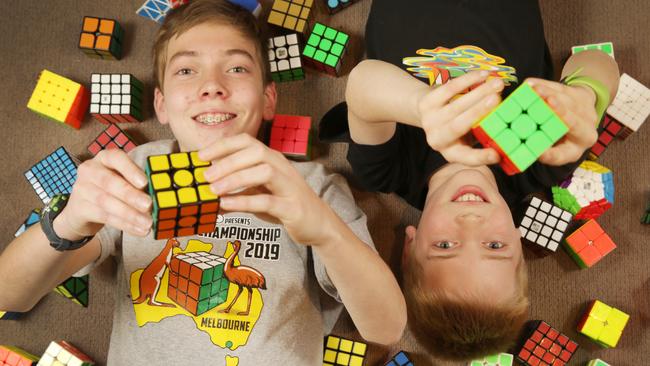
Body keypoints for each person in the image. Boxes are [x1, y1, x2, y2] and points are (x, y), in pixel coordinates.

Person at [0, 1, 406, 364]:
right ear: (161, 104)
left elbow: (385, 328)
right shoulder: (133, 172)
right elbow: (8, 294)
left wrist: (326, 232)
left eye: (236, 67)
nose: (212, 85)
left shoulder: (311, 185)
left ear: (269, 99)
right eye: (186, 70)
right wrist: (68, 223)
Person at [320, 0, 619, 360]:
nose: (471, 224)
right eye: (494, 247)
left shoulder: (387, 171)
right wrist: (586, 95)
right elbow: (600, 64)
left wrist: (420, 105)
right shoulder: (542, 163)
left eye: (445, 246)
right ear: (518, 241)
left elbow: (362, 84)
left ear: (410, 245)